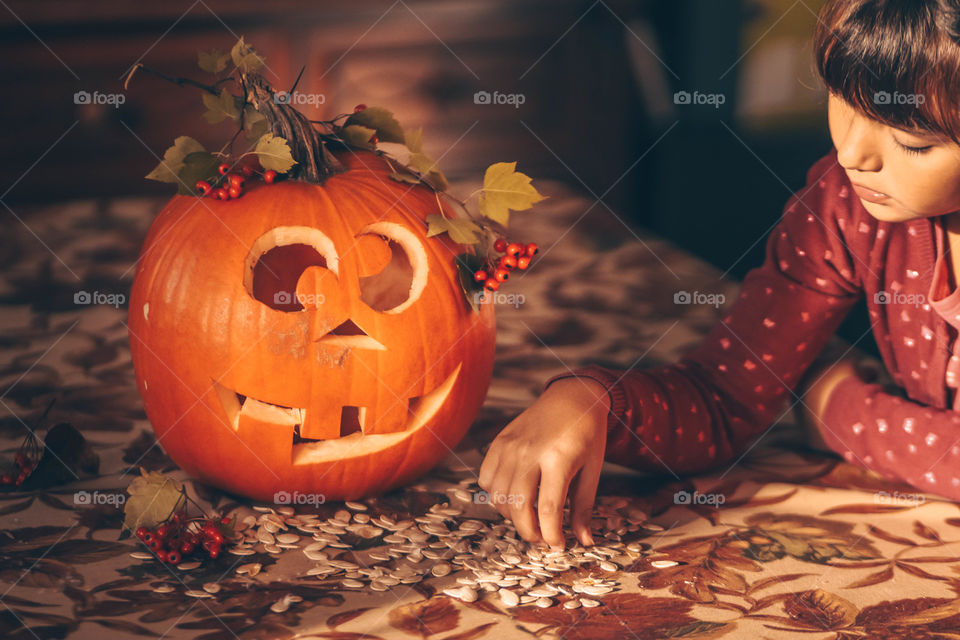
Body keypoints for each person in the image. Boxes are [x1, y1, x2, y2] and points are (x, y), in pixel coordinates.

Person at [479, 0, 960, 549]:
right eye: (842, 98)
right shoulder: (846, 206)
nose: (852, 153)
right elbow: (725, 396)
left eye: (912, 142)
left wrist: (837, 409)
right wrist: (594, 402)